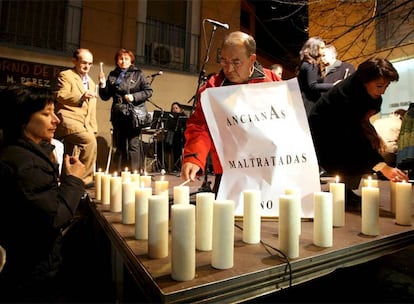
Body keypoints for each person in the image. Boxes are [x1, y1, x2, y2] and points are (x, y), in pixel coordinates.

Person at [0, 84, 86, 301]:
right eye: (46, 114)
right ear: (23, 119)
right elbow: (54, 216)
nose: (56, 120)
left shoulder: (27, 154)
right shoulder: (24, 164)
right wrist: (74, 179)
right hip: (34, 272)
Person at [180, 31, 280, 193]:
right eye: (224, 61)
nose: (229, 69)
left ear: (252, 60)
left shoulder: (273, 82)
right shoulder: (213, 88)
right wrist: (194, 157)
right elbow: (200, 125)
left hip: (269, 170)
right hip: (228, 171)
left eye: (236, 62)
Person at [308, 57, 408, 205]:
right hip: (325, 128)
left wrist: (369, 130)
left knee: (366, 149)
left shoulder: (367, 92)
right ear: (365, 80)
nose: (382, 92)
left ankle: (346, 189)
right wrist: (382, 166)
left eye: (386, 87)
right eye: (379, 86)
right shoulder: (346, 96)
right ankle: (342, 190)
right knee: (351, 153)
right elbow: (353, 134)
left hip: (343, 126)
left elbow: (362, 118)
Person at [99, 48, 153, 173]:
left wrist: (134, 97)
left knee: (133, 145)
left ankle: (134, 174)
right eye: (120, 58)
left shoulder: (138, 73)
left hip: (133, 114)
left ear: (131, 61)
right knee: (120, 145)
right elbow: (105, 96)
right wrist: (102, 85)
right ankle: (120, 173)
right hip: (118, 114)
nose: (123, 61)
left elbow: (148, 91)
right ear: (117, 61)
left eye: (126, 59)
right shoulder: (113, 74)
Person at [55, 48, 98, 188]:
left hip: (84, 123)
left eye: (90, 64)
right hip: (68, 119)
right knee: (89, 141)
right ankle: (83, 180)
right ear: (75, 61)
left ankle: (67, 180)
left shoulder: (91, 83)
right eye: (84, 62)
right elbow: (61, 95)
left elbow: (92, 108)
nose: (87, 66)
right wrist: (80, 97)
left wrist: (93, 127)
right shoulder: (66, 75)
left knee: (70, 152)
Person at [297, 36, 334, 116]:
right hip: (309, 103)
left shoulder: (307, 63)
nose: (324, 51)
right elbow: (312, 85)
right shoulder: (310, 64)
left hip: (306, 102)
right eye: (322, 48)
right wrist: (333, 85)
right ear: (314, 48)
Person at [165, 101, 187, 172]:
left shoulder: (184, 117)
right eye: (173, 108)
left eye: (176, 108)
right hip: (173, 137)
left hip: (183, 137)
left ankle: (183, 166)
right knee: (174, 146)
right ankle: (176, 166)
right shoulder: (170, 117)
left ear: (180, 109)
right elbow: (168, 128)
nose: (174, 110)